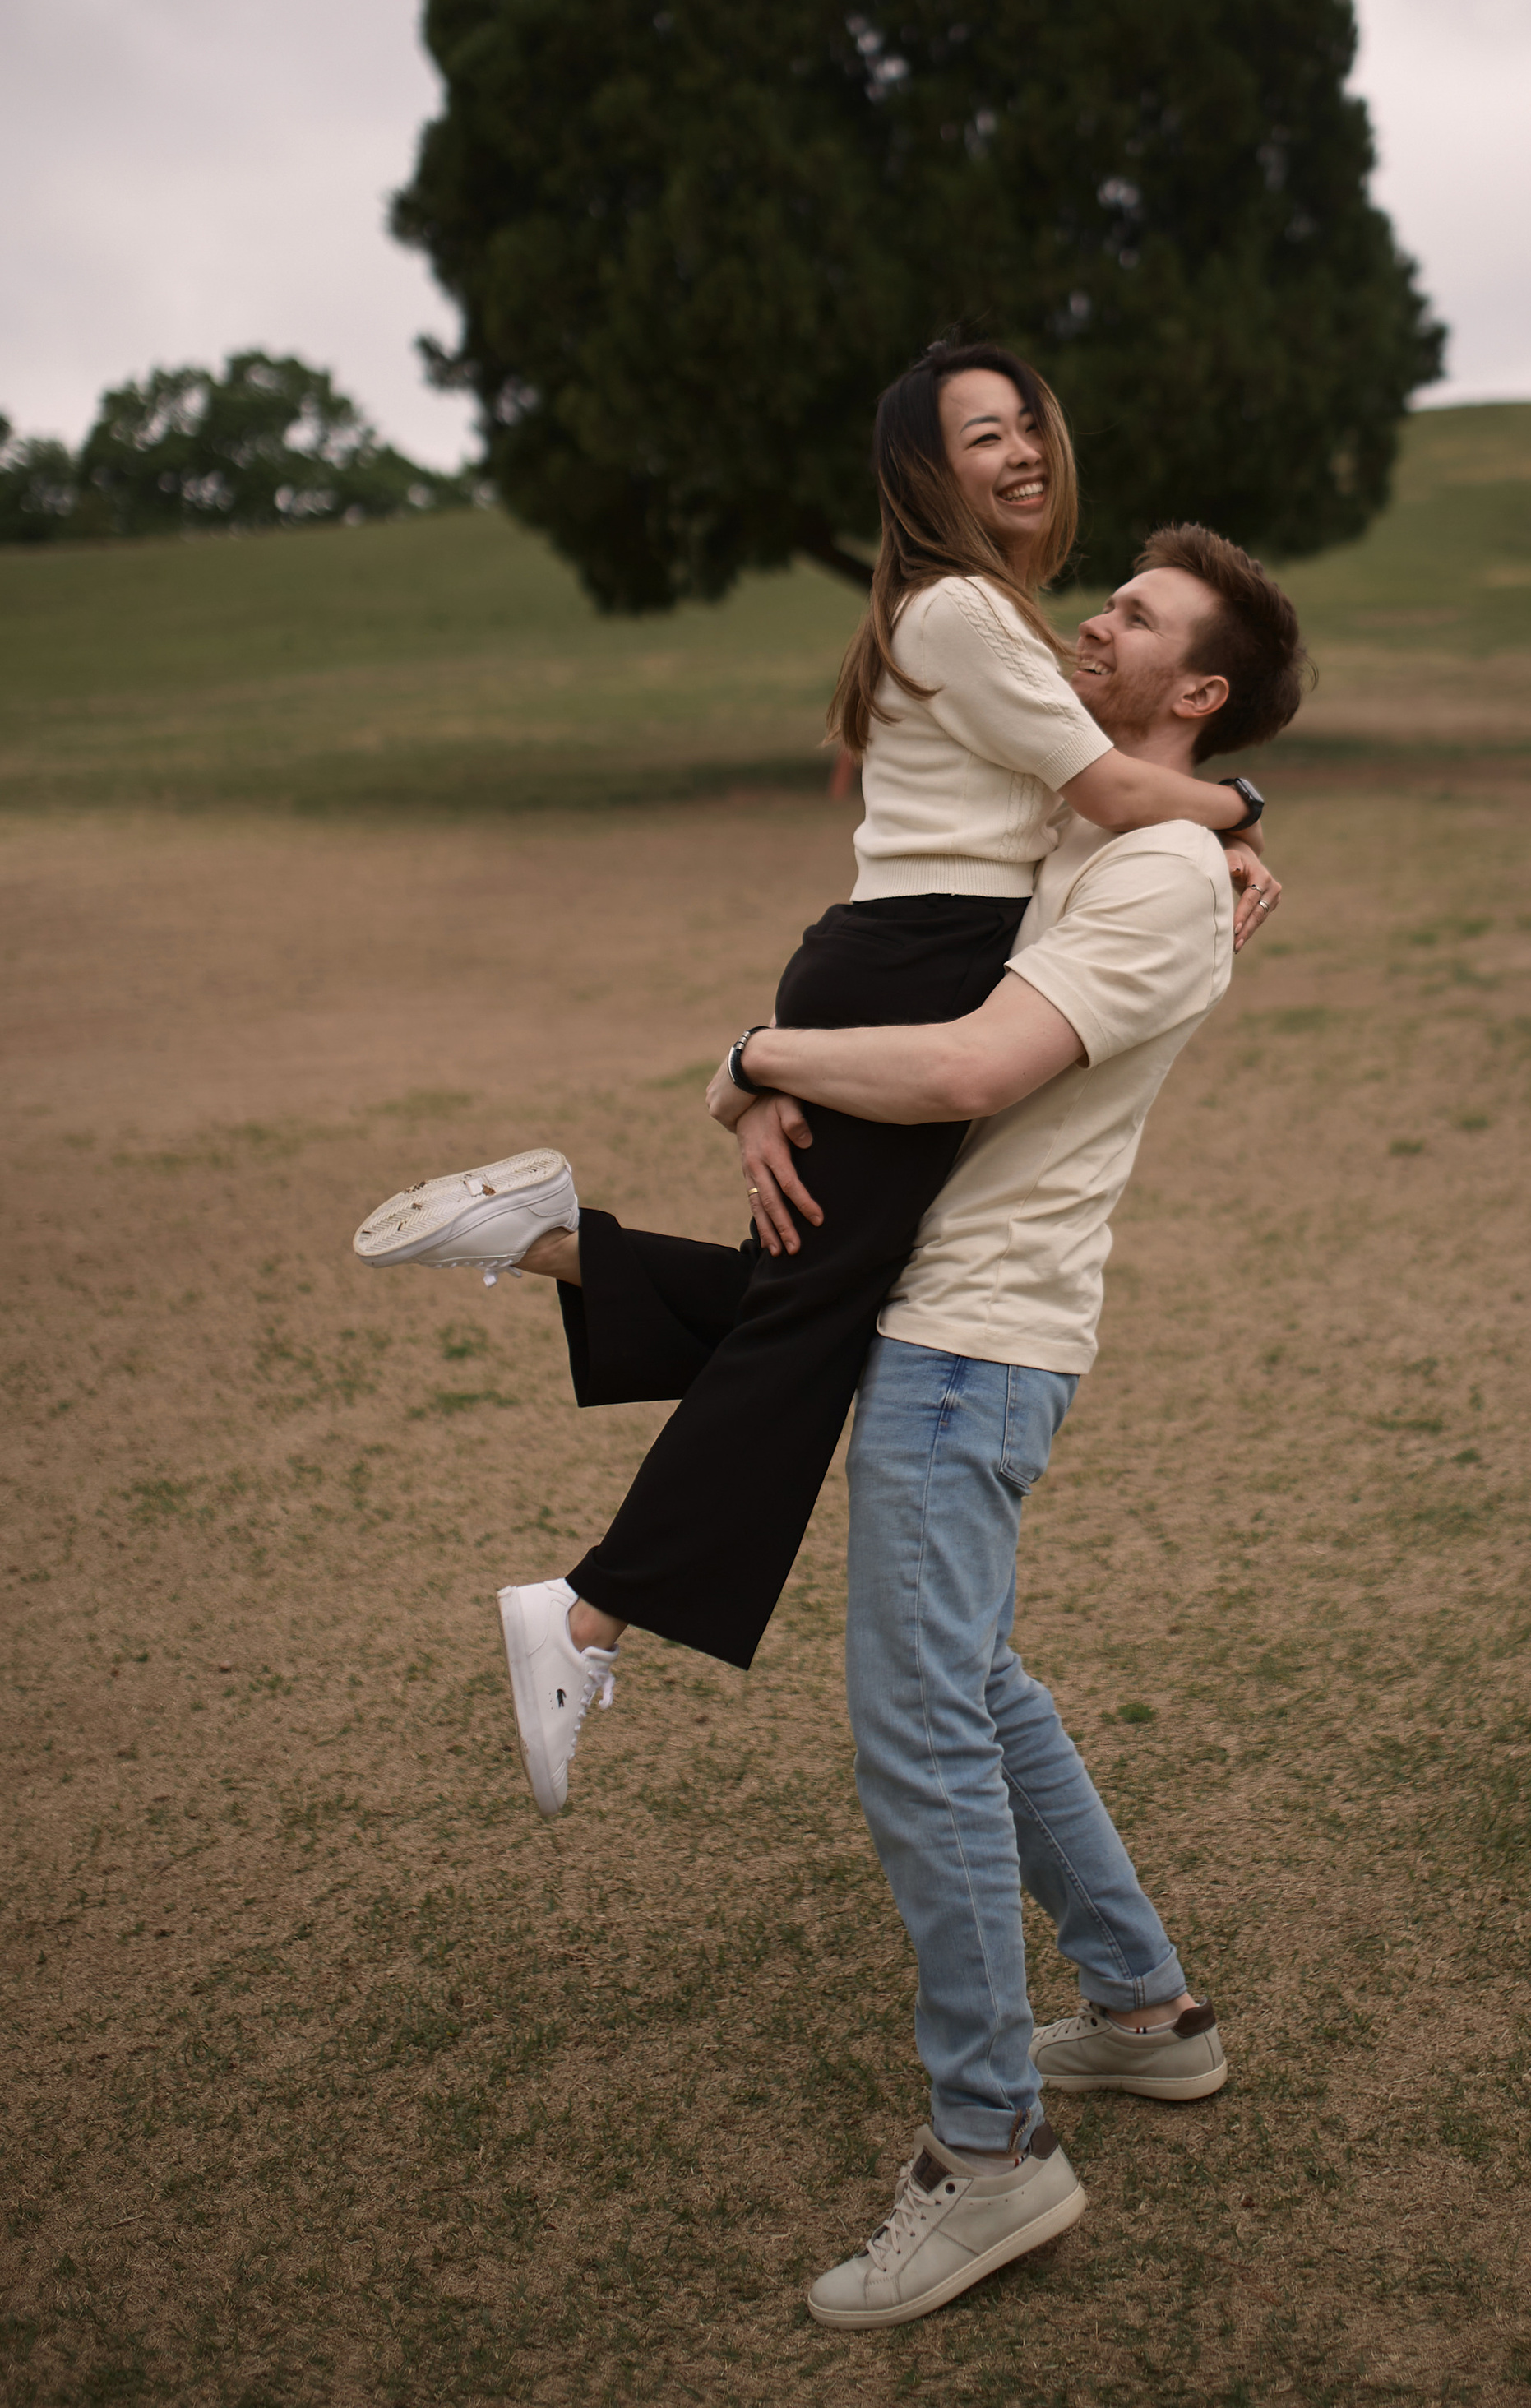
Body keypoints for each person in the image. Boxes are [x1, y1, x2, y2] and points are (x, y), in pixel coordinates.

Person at [368, 526, 1309, 2328]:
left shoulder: (1153, 885)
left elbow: (963, 1071)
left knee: (920, 1734)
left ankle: (991, 2156)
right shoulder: (1114, 831)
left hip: (972, 1344)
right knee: (977, 1685)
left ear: (1192, 691)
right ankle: (1144, 2016)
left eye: (1130, 619)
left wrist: (760, 1054)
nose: (1086, 622)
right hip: (932, 1306)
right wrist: (1230, 812)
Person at [354, 345, 1274, 1720]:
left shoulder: (974, 611)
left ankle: (547, 1245)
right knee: (814, 1321)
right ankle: (587, 1610)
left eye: (1030, 424)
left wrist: (1214, 829)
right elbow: (1106, 787)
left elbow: (1095, 800)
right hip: (919, 961)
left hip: (896, 952)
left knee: (816, 1297)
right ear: (927, 470)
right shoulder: (963, 607)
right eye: (983, 436)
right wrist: (1244, 809)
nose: (1021, 450)